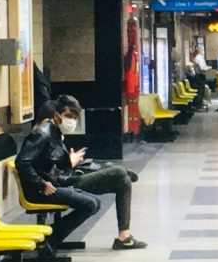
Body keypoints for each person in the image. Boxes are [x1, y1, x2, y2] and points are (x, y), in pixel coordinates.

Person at [14, 96, 146, 250]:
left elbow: (55, 163)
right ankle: (51, 238)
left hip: (61, 181)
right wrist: (41, 184)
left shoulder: (55, 133)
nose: (72, 121)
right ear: (57, 115)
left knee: (122, 182)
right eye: (69, 116)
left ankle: (124, 236)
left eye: (75, 118)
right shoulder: (43, 134)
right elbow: (22, 162)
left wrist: (70, 161)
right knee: (96, 198)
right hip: (45, 189)